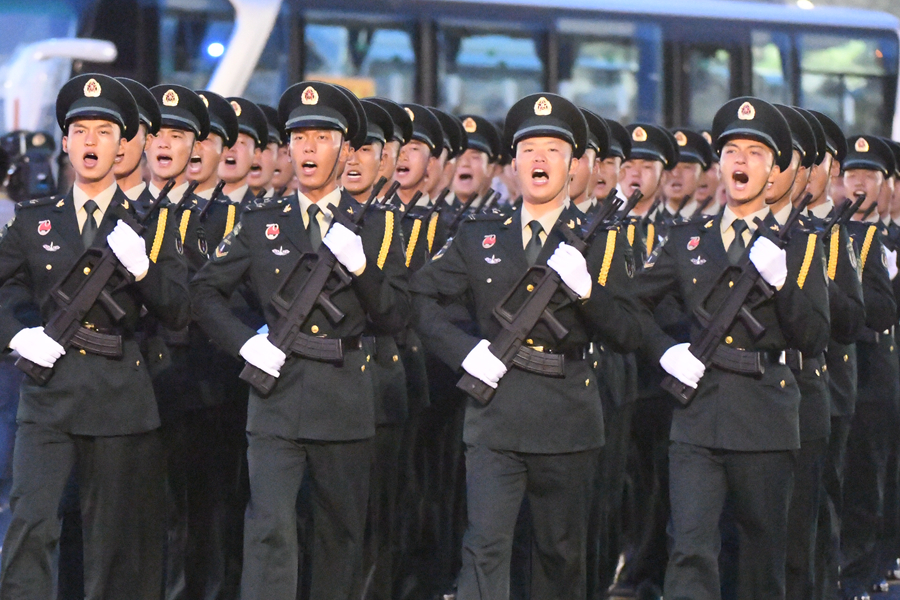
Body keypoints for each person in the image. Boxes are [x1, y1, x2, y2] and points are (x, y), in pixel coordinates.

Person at [410, 92, 644, 599]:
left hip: (567, 413)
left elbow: (628, 332)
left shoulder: (601, 238)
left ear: (575, 164)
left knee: (559, 554)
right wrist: (465, 351)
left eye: (554, 150)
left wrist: (587, 292)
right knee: (484, 548)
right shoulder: (480, 234)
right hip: (495, 412)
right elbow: (421, 298)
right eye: (529, 149)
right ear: (513, 164)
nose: (540, 159)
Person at [190, 81, 409, 600]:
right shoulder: (261, 221)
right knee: (269, 529)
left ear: (347, 150)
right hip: (276, 396)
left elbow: (397, 315)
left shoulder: (377, 224)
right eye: (299, 137)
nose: (308, 148)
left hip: (344, 395)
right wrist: (245, 343)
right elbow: (204, 292)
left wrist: (362, 268)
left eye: (322, 137)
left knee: (340, 534)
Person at [0, 73, 190, 600]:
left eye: (104, 131)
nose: (90, 141)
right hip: (48, 396)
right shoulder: (34, 221)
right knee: (31, 524)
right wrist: (17, 335)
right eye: (80, 130)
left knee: (113, 544)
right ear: (65, 142)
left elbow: (180, 311)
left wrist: (145, 269)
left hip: (118, 399)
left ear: (122, 145)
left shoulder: (151, 224)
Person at [633, 96, 830, 600]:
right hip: (697, 414)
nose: (741, 161)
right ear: (719, 164)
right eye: (732, 151)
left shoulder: (801, 242)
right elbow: (629, 304)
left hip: (766, 412)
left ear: (775, 170)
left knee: (762, 555)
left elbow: (814, 336)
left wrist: (783, 282)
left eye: (756, 153)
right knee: (689, 547)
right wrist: (663, 350)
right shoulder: (688, 238)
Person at [839, 133, 899, 600]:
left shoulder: (890, 238)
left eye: (869, 175)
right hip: (841, 369)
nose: (859, 184)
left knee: (874, 475)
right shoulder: (831, 234)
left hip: (881, 371)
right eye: (852, 174)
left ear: (887, 184)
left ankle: (868, 565)